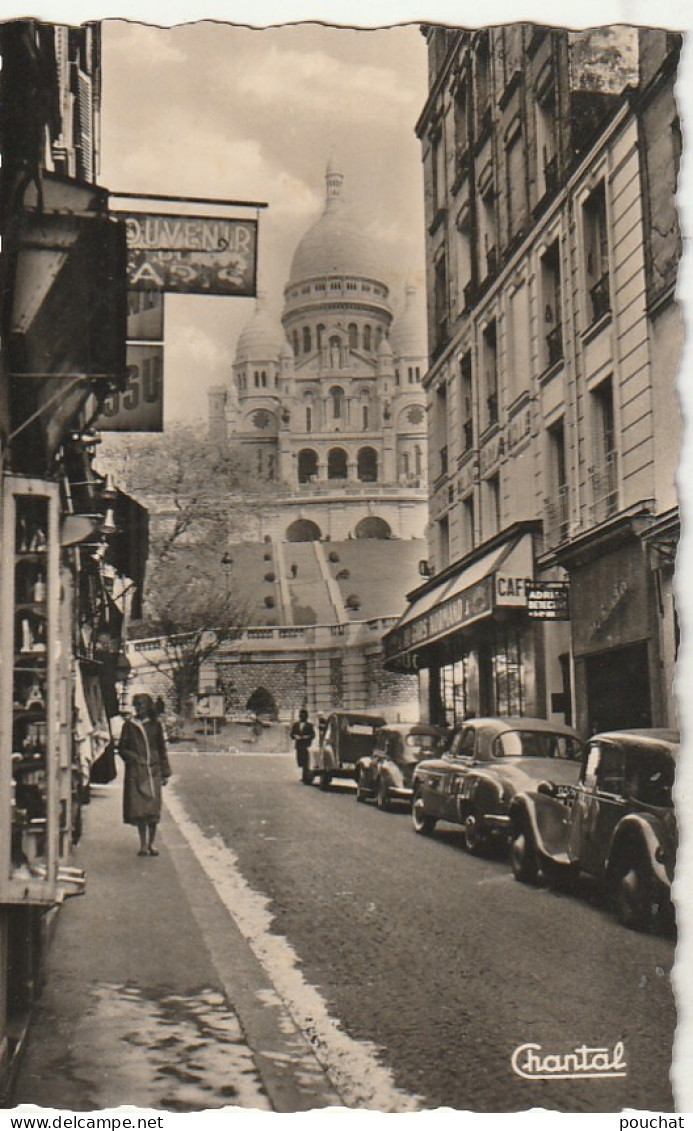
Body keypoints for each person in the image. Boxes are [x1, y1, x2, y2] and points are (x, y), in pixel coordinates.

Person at [119, 692, 171, 857]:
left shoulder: (155, 725)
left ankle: (152, 843)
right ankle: (142, 845)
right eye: (137, 705)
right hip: (137, 772)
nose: (139, 708)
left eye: (142, 705)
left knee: (153, 810)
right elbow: (122, 748)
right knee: (140, 810)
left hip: (153, 770)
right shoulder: (129, 726)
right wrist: (133, 759)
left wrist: (165, 772)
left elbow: (161, 749)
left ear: (149, 706)